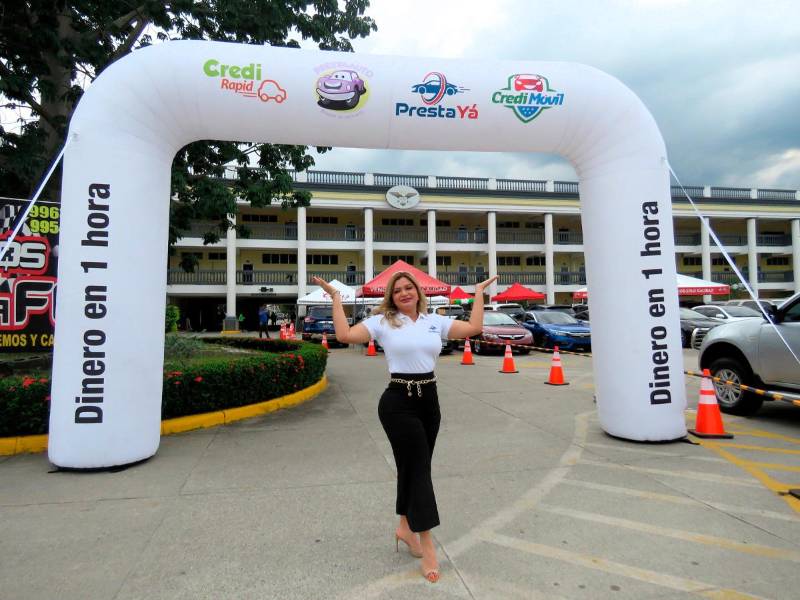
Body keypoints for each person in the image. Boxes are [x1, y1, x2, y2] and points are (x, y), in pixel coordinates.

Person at [312, 271, 496, 583]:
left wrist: (478, 293)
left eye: (409, 287)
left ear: (418, 292)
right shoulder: (382, 322)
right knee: (419, 471)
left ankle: (404, 527)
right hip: (398, 402)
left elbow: (474, 328)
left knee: (414, 469)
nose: (404, 293)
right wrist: (335, 298)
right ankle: (427, 545)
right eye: (397, 290)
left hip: (430, 401)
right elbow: (344, 336)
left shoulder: (433, 321)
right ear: (392, 297)